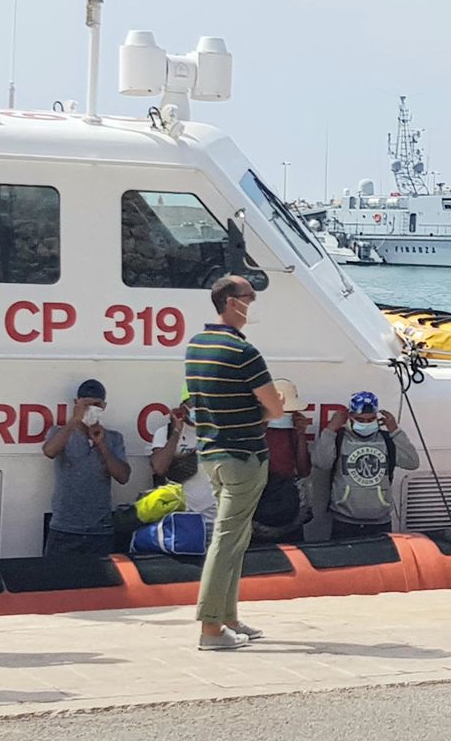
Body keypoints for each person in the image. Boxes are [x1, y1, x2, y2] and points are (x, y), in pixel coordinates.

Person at [186, 275, 284, 651]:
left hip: (211, 455)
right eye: (249, 297)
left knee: (235, 538)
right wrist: (270, 408)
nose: (253, 303)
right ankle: (211, 628)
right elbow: (275, 408)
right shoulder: (244, 352)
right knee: (227, 540)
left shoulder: (196, 345)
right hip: (243, 456)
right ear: (231, 302)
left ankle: (228, 617)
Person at [312, 391, 420, 540]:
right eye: (360, 419)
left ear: (377, 417)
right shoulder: (339, 438)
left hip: (380, 522)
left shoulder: (386, 440)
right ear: (350, 416)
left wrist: (395, 431)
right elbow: (321, 463)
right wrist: (331, 429)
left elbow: (412, 463)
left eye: (370, 419)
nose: (365, 423)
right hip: (344, 522)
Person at [41, 379, 131, 556]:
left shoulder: (114, 438)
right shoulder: (59, 432)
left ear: (104, 406)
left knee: (101, 574)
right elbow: (49, 451)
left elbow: (123, 477)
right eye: (86, 405)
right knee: (56, 574)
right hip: (64, 529)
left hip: (100, 530)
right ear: (76, 403)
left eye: (96, 405)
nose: (91, 409)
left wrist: (102, 445)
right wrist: (75, 420)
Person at [252, 379, 313, 544]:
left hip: (288, 503)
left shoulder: (292, 429)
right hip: (259, 504)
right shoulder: (251, 429)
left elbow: (303, 470)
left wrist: (301, 434)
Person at [148, 387, 217, 531]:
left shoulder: (218, 433)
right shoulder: (165, 432)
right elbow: (159, 468)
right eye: (193, 403)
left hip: (215, 520)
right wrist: (176, 431)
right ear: (183, 406)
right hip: (180, 520)